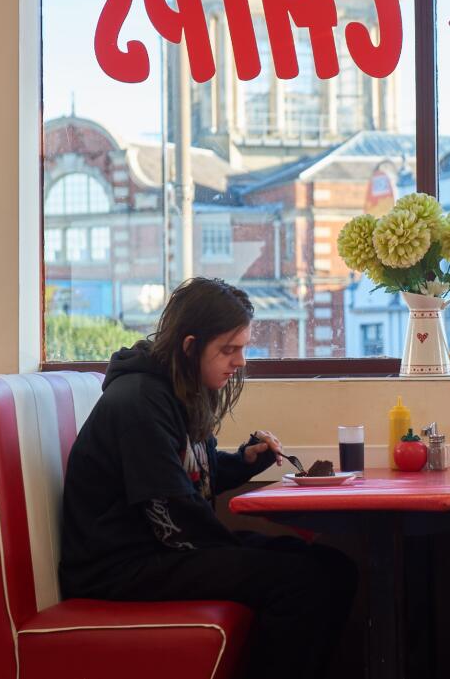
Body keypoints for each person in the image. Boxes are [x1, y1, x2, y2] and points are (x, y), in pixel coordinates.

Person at [59, 277, 356, 679]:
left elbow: (190, 474)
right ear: (190, 345)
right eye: (228, 350)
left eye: (243, 348)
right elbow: (171, 506)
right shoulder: (139, 402)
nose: (241, 361)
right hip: (119, 567)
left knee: (334, 566)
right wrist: (241, 554)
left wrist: (244, 461)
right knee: (299, 582)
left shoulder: (179, 391)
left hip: (160, 551)